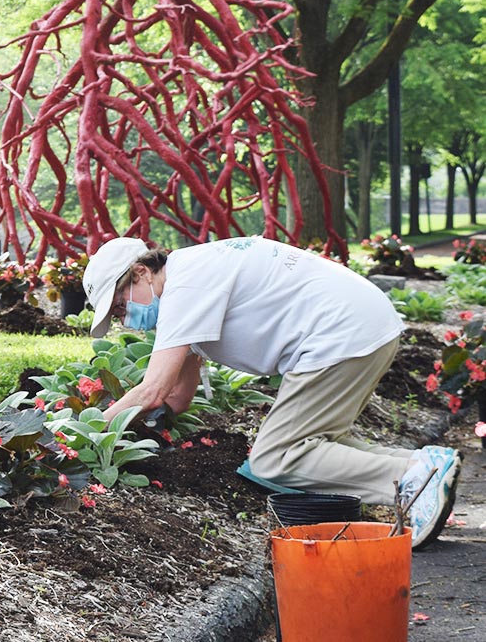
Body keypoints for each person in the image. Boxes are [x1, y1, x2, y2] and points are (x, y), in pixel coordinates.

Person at [82, 235, 461, 549]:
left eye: (120, 306)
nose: (125, 318)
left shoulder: (186, 285)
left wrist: (85, 430)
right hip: (361, 326)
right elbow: (176, 398)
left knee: (275, 458)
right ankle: (423, 463)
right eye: (118, 316)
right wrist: (150, 430)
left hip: (339, 335)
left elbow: (154, 388)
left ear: (141, 272)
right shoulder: (190, 277)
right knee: (319, 439)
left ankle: (416, 477)